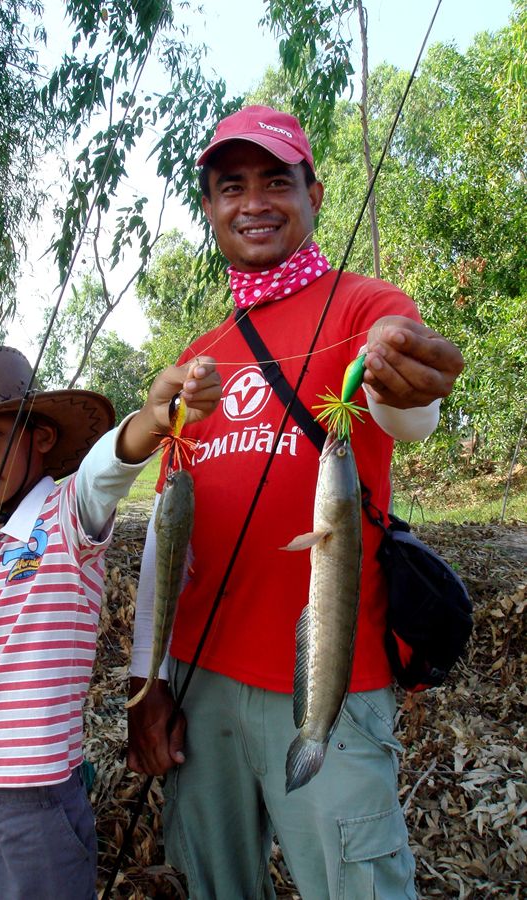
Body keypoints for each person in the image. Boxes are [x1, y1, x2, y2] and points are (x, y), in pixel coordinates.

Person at [127, 106, 464, 899]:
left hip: (332, 683)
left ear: (313, 192)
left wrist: (406, 369)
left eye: (277, 181)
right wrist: (150, 683)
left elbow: (404, 401)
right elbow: (164, 546)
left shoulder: (361, 304)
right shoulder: (196, 357)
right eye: (230, 185)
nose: (254, 201)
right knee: (208, 882)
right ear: (208, 207)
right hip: (199, 680)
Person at [0, 344, 220, 900]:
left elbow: (109, 466)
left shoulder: (66, 518)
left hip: (34, 803)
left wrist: (154, 417)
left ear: (42, 437)